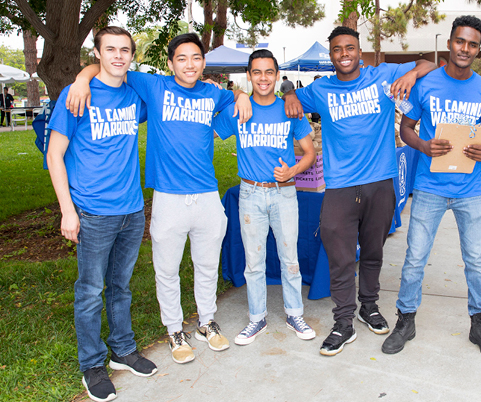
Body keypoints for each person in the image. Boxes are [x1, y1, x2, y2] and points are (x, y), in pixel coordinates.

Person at [66, 33, 252, 365]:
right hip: (168, 197)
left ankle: (206, 322)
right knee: (166, 270)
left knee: (207, 266)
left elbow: (232, 98)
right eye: (181, 58)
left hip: (207, 196)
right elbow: (111, 66)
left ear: (204, 62)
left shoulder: (212, 93)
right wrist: (82, 78)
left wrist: (241, 94)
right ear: (170, 64)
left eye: (196, 57)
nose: (189, 64)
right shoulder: (154, 87)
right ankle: (174, 330)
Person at [284, 26, 436, 356]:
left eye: (349, 48)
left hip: (380, 183)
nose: (344, 54)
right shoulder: (320, 89)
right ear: (331, 56)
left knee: (372, 252)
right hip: (339, 186)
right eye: (337, 49)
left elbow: (430, 64)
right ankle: (343, 322)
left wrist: (411, 75)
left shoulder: (383, 76)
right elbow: (290, 98)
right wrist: (290, 95)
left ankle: (369, 306)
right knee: (339, 258)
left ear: (359, 51)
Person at [381, 15, 481, 361]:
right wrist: (422, 146)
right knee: (415, 258)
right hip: (430, 186)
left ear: (479, 49)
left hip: (469, 189)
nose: (465, 48)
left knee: (476, 260)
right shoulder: (426, 83)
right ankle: (406, 320)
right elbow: (406, 128)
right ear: (450, 43)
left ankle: (480, 322)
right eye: (460, 41)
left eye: (473, 44)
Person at [47, 26, 157, 402]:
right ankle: (92, 364)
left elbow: (172, 86)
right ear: (97, 52)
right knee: (91, 292)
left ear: (132, 54)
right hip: (92, 211)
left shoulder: (134, 96)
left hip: (132, 210)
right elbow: (54, 155)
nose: (118, 56)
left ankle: (123, 350)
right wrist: (67, 211)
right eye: (110, 49)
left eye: (125, 50)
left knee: (121, 287)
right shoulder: (76, 95)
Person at [214, 49, 317, 345]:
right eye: (256, 72)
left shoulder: (289, 109)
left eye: (268, 72)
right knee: (254, 261)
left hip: (283, 193)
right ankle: (256, 319)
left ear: (276, 74)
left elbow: (310, 153)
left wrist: (294, 170)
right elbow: (206, 131)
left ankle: (294, 313)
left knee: (290, 259)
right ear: (248, 75)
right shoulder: (238, 110)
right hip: (250, 194)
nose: (263, 78)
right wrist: (236, 95)